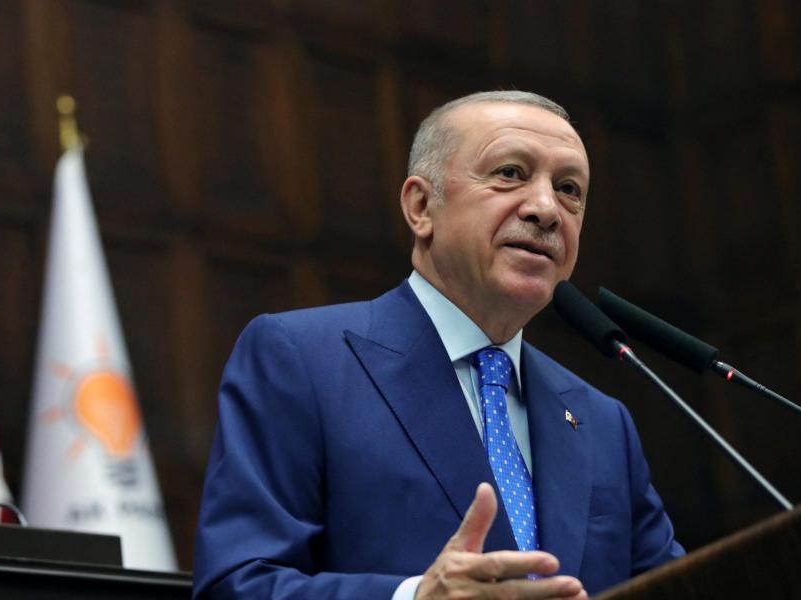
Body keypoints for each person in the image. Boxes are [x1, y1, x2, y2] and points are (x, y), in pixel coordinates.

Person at [192, 90, 684, 599]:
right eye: (510, 173)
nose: (546, 209)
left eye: (568, 189)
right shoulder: (300, 360)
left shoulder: (603, 423)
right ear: (422, 206)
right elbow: (236, 585)